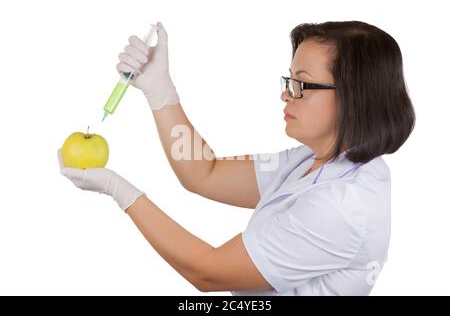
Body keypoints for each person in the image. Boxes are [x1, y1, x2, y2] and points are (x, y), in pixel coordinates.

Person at [58, 21, 415, 295]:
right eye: (288, 81)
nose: (286, 96)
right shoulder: (315, 160)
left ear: (354, 96)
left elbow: (208, 272)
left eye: (301, 85)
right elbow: (204, 172)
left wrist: (119, 191)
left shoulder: (342, 207)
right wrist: (160, 91)